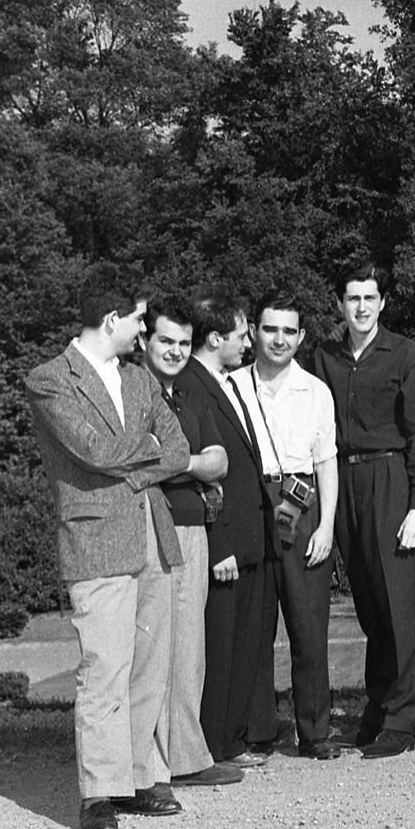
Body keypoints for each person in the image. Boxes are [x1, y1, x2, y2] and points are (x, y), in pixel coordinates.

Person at [25, 265, 191, 829]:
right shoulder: (50, 380)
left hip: (152, 533)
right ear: (112, 318)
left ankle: (142, 777)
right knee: (104, 669)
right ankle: (99, 793)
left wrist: (138, 460)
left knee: (150, 666)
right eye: (140, 320)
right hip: (96, 539)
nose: (145, 330)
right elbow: (91, 450)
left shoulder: (139, 379)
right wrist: (147, 448)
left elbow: (179, 449)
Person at [308, 261, 415, 759]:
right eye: (352, 298)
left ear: (383, 302)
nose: (361, 307)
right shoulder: (324, 357)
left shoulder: (407, 354)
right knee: (368, 603)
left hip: (390, 478)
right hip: (342, 480)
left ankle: (403, 718)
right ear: (340, 304)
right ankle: (378, 710)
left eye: (369, 298)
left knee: (398, 603)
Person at [229, 292, 341, 758]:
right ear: (254, 331)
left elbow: (326, 461)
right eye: (270, 329)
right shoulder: (231, 386)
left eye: (289, 331)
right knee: (254, 627)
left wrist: (327, 526)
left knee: (309, 626)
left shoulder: (315, 391)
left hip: (301, 503)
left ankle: (314, 731)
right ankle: (257, 730)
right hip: (252, 505)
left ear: (301, 337)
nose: (279, 339)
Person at [139, 295, 242, 786]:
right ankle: (150, 764)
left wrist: (179, 462)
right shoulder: (133, 393)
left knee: (188, 648)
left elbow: (220, 462)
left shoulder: (190, 396)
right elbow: (143, 462)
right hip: (151, 527)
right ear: (144, 339)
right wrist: (193, 465)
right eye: (166, 341)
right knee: (154, 648)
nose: (176, 351)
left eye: (183, 343)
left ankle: (185, 757)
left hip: (194, 529)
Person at [181, 292, 273, 767]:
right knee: (219, 650)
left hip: (249, 540)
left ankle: (230, 742)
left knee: (242, 647)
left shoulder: (223, 382)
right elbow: (201, 478)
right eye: (240, 336)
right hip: (225, 545)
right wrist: (219, 545)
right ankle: (213, 747)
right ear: (215, 338)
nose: (248, 344)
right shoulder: (191, 386)